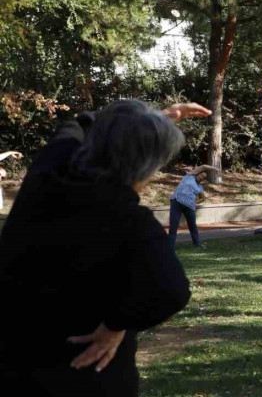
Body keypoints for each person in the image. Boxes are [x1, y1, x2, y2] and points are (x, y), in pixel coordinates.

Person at [0, 100, 208, 396]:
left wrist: (151, 118)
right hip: (88, 372)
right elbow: (171, 290)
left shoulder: (48, 172)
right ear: (149, 166)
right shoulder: (131, 222)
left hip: (12, 360)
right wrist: (116, 325)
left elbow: (80, 122)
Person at [168, 164, 219, 249]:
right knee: (173, 225)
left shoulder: (200, 187)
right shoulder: (189, 176)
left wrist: (194, 202)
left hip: (189, 207)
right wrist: (214, 168)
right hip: (177, 202)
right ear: (198, 173)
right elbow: (203, 167)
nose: (202, 177)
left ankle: (197, 243)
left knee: (192, 226)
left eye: (204, 177)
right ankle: (170, 246)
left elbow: (203, 198)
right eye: (201, 175)